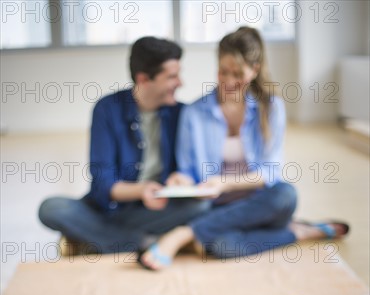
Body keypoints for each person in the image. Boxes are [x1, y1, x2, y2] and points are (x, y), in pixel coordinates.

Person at [139, 27, 349, 270]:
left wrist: (225, 183)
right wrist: (180, 179)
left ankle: (183, 234)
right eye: (223, 72)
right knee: (222, 246)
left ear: (255, 70)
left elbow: (269, 172)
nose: (228, 81)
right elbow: (188, 169)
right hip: (216, 208)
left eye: (237, 73)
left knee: (286, 194)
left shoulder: (271, 108)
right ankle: (299, 231)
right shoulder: (194, 113)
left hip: (262, 203)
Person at [38, 36, 210, 254]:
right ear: (144, 79)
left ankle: (97, 239)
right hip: (110, 210)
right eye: (172, 77)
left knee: (201, 206)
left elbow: (191, 170)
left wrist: (182, 179)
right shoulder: (107, 109)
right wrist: (142, 190)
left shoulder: (181, 114)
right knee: (52, 208)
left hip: (154, 211)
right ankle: (144, 243)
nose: (180, 83)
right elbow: (102, 183)